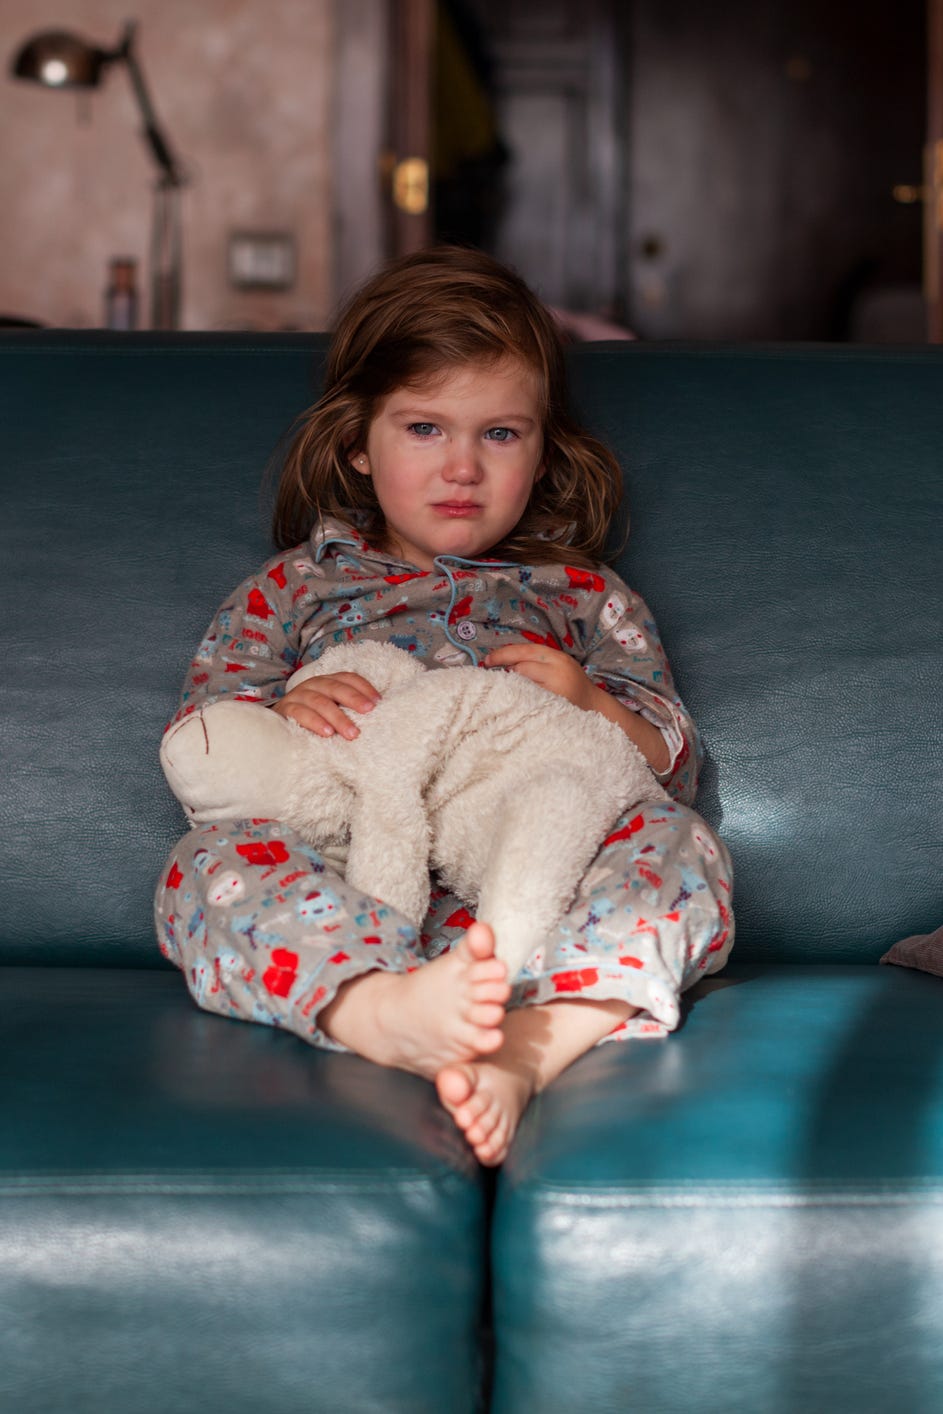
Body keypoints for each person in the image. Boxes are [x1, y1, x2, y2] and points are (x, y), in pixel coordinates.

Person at [154, 246, 733, 1166]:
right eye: (425, 429)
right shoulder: (293, 589)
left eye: (500, 435)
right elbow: (207, 740)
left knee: (684, 850)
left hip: (527, 865)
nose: (462, 468)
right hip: (348, 869)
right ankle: (375, 1009)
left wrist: (588, 700)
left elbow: (671, 765)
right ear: (357, 444)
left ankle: (529, 1047)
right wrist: (292, 706)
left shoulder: (583, 594)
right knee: (202, 866)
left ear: (542, 453)